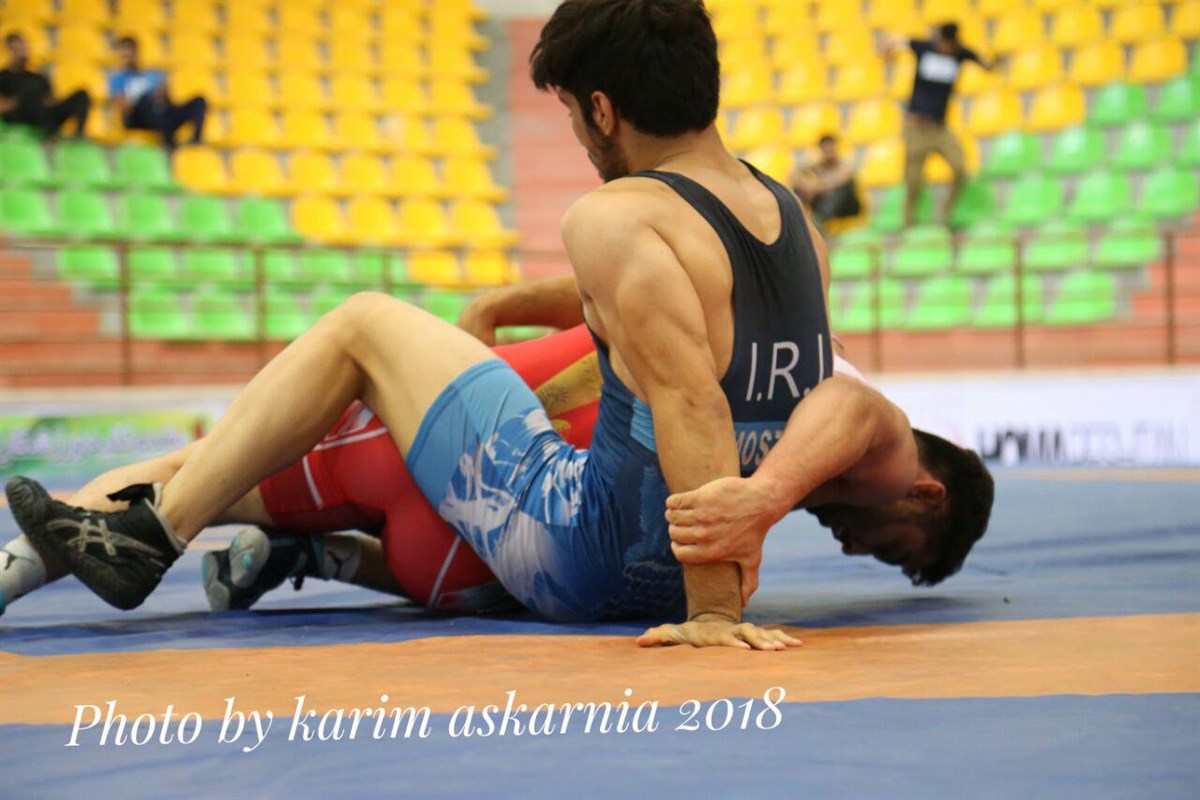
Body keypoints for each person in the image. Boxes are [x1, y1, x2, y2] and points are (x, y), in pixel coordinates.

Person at [8, 0, 988, 650]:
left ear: (602, 109)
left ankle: (157, 531)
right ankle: (267, 546)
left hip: (584, 550)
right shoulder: (792, 219)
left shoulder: (616, 217)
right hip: (672, 563)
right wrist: (722, 588)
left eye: (571, 117)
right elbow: (767, 383)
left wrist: (712, 616)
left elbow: (688, 395)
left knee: (363, 323)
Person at [0, 313, 992, 617]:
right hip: (473, 567)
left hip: (456, 462)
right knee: (404, 547)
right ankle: (319, 557)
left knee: (201, 468)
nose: (855, 549)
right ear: (926, 492)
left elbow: (854, 406)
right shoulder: (814, 418)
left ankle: (112, 547)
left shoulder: (812, 380)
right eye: (892, 548)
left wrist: (505, 311)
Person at [882, 22, 997, 228]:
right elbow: (898, 41)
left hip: (940, 128)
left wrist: (995, 62)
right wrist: (888, 48)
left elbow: (985, 65)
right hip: (916, 128)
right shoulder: (925, 47)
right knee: (912, 181)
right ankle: (908, 224)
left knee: (960, 169)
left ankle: (944, 217)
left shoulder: (960, 54)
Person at [107, 36, 206, 149]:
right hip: (137, 118)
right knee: (146, 102)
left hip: (161, 113)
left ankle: (195, 140)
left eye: (130, 51)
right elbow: (123, 107)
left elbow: (167, 100)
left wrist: (163, 91)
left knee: (199, 101)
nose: (127, 56)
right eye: (124, 52)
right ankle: (170, 144)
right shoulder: (117, 79)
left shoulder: (153, 74)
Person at [0, 32, 90, 137]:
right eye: (18, 50)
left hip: (44, 115)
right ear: (9, 51)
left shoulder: (38, 77)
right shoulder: (3, 76)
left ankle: (78, 135)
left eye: (24, 49)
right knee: (32, 90)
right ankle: (48, 135)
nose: (23, 53)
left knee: (81, 95)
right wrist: (20, 100)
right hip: (20, 115)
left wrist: (48, 102)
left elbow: (50, 100)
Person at [790, 134, 861, 230]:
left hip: (846, 207)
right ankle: (798, 217)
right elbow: (793, 175)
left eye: (831, 150)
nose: (829, 154)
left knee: (841, 190)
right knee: (799, 189)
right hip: (824, 203)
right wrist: (805, 186)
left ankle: (819, 219)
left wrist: (816, 187)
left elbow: (838, 181)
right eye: (826, 151)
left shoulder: (845, 165)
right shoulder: (816, 166)